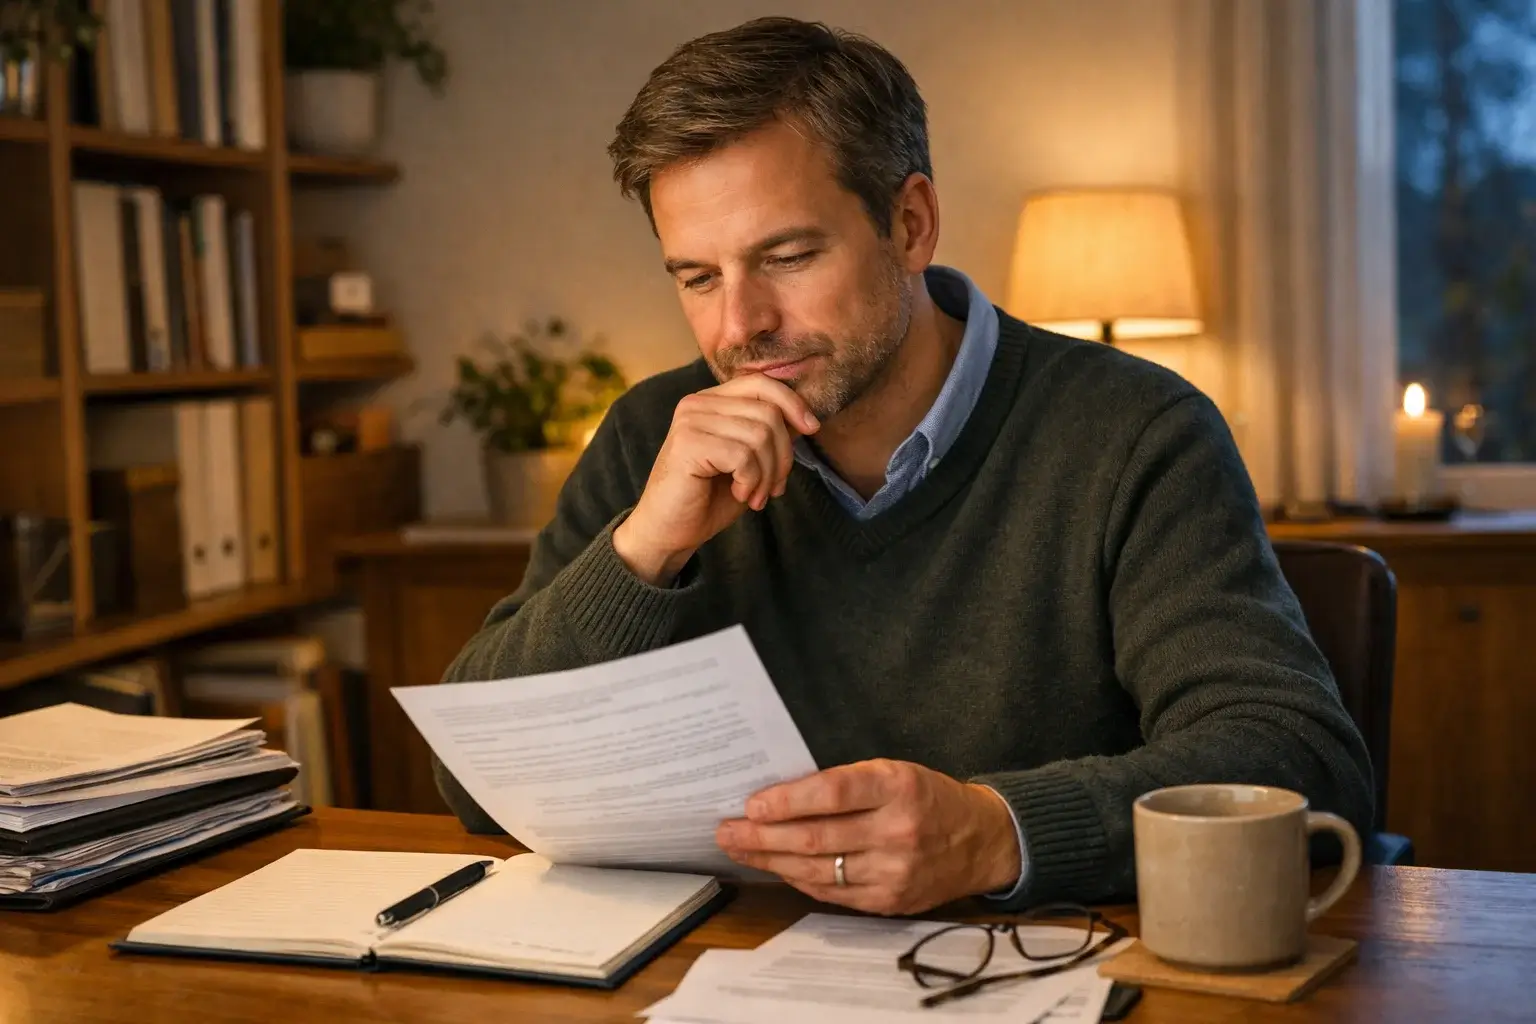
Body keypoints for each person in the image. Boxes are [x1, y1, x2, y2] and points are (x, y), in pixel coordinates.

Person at [432, 15, 1373, 916]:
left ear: (912, 223)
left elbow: (1296, 757)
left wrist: (997, 833)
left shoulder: (1135, 431)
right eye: (698, 277)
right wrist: (642, 550)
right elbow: (475, 780)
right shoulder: (653, 435)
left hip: (1047, 972)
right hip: (725, 970)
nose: (739, 326)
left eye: (788, 256)